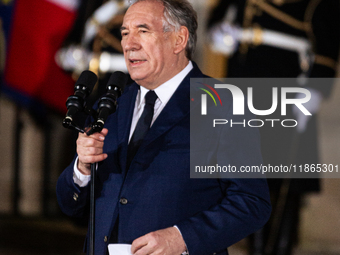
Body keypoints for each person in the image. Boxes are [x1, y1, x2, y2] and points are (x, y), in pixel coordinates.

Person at [56, 0, 271, 254]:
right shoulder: (111, 105)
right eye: (125, 33)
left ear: (179, 39)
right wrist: (82, 168)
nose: (128, 43)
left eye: (143, 31)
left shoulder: (222, 104)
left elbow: (252, 202)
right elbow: (70, 205)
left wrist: (183, 238)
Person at [208, 0, 340, 254]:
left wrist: (315, 90)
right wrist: (218, 33)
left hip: (289, 96)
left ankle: (280, 246)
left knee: (286, 186)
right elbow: (220, 16)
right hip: (243, 91)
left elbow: (327, 47)